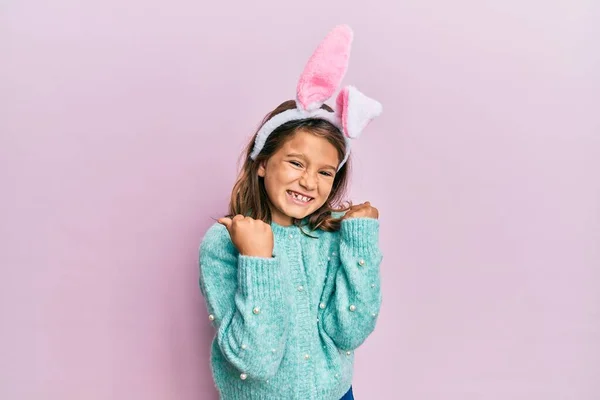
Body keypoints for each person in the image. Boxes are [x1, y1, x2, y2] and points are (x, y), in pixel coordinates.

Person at [198, 24, 383, 400]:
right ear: (263, 162)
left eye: (325, 172)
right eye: (296, 163)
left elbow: (349, 331)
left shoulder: (332, 239)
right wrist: (257, 258)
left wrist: (360, 244)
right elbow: (256, 360)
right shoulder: (223, 243)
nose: (309, 183)